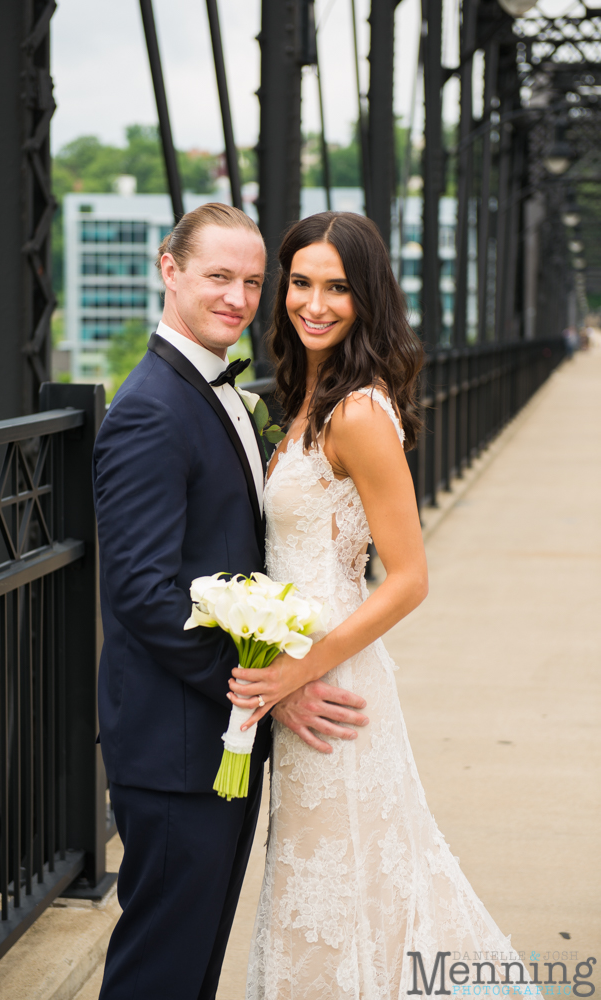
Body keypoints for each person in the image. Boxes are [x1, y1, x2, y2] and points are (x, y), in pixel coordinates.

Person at [228, 212, 542, 998]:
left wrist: (296, 669)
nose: (315, 303)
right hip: (298, 672)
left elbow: (408, 578)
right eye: (300, 282)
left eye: (337, 287)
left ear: (367, 298)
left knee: (352, 868)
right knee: (327, 872)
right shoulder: (306, 395)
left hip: (331, 675)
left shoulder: (358, 411)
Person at [92, 203, 368, 1000]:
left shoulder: (206, 390)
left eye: (252, 282)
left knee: (192, 957)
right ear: (168, 269)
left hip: (213, 735)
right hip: (177, 742)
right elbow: (144, 595)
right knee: (160, 963)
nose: (237, 298)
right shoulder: (149, 409)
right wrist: (260, 684)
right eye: (218, 276)